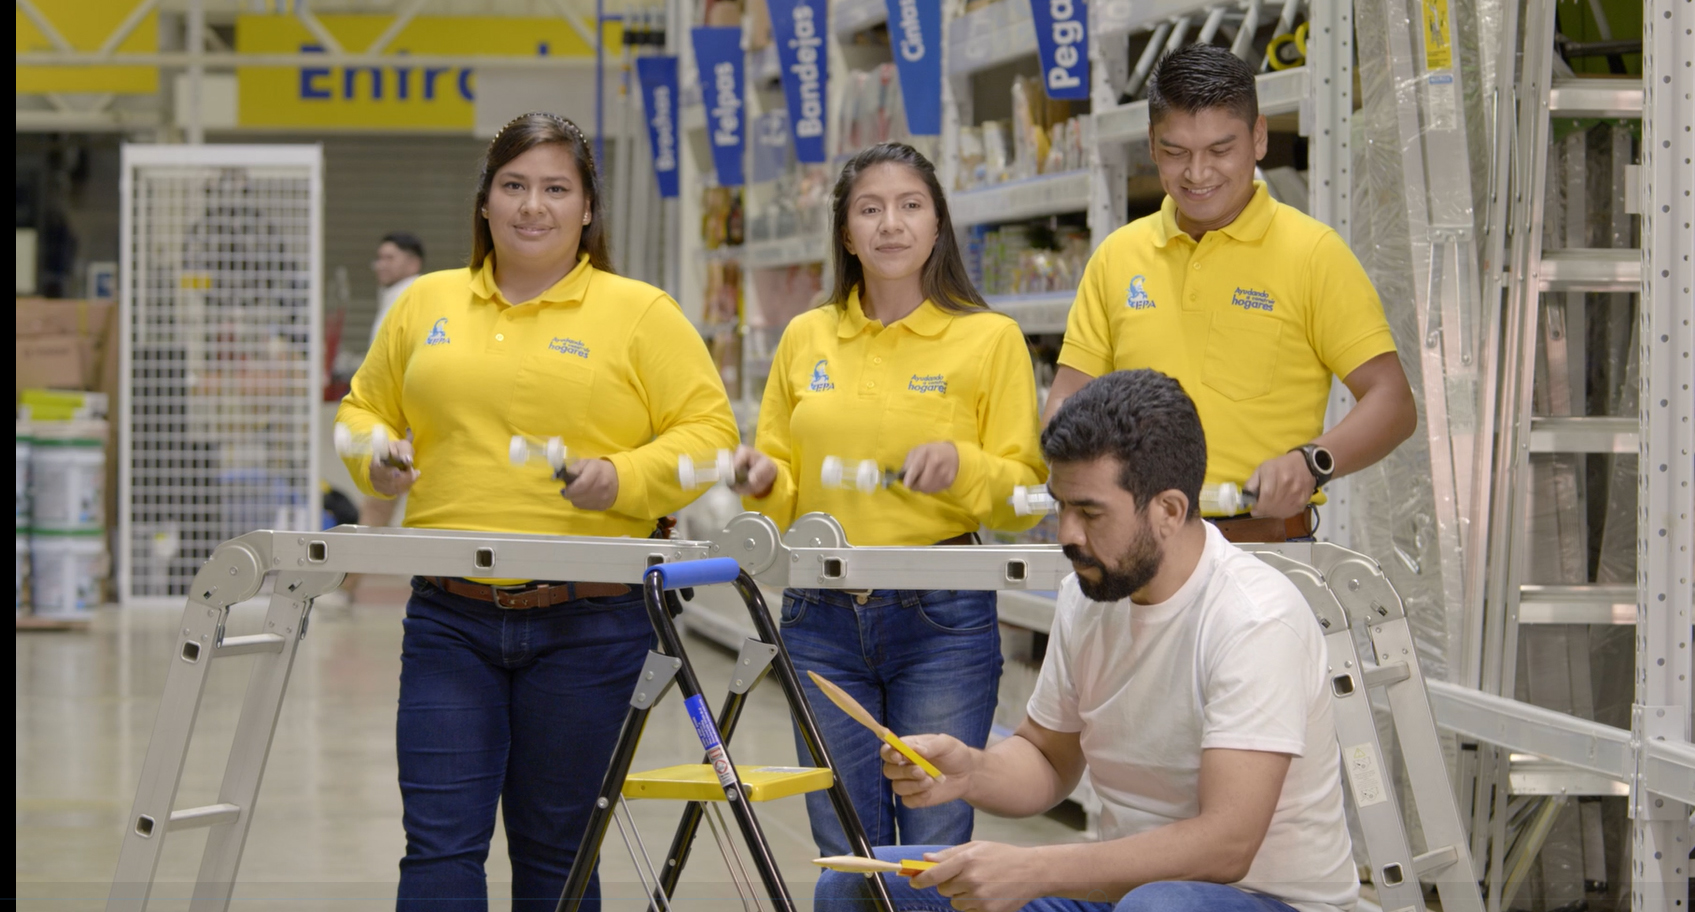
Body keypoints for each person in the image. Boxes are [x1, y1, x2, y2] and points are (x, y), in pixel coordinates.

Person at [336, 112, 737, 912]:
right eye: (513, 186)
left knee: (558, 852)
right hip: (449, 617)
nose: (532, 206)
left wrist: (621, 478)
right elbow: (361, 410)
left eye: (556, 188)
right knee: (439, 846)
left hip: (589, 625)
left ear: (588, 206)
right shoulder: (425, 303)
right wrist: (373, 458)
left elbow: (712, 443)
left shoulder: (640, 313)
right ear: (484, 201)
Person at [817, 369, 1356, 912]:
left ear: (1168, 511)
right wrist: (969, 771)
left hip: (1258, 900)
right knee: (854, 885)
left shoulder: (1254, 620)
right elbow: (1050, 760)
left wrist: (1032, 869)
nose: (1066, 535)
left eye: (1090, 512)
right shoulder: (1091, 592)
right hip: (1122, 896)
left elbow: (1226, 846)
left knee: (1158, 907)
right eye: (1061, 506)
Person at [729, 142, 1045, 854]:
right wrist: (761, 482)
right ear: (845, 232)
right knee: (844, 841)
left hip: (940, 615)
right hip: (818, 611)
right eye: (868, 209)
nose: (890, 225)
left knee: (932, 837)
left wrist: (961, 466)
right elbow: (780, 478)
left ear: (937, 224)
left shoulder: (988, 339)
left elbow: (1023, 499)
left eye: (909, 206)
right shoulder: (805, 336)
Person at [1042, 44, 1416, 542]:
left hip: (1265, 549)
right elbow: (1069, 394)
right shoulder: (1117, 257)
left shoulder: (1313, 254)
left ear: (1258, 137)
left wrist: (1311, 463)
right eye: (1176, 152)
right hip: (1137, 550)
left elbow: (1392, 401)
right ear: (1152, 144)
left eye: (1221, 150)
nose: (1198, 174)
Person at [356, 231, 427, 537]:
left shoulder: (412, 297)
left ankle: (346, 586)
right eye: (379, 258)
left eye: (390, 258)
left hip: (408, 424)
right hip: (403, 422)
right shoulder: (397, 295)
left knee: (377, 506)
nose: (380, 265)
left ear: (413, 263)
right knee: (379, 505)